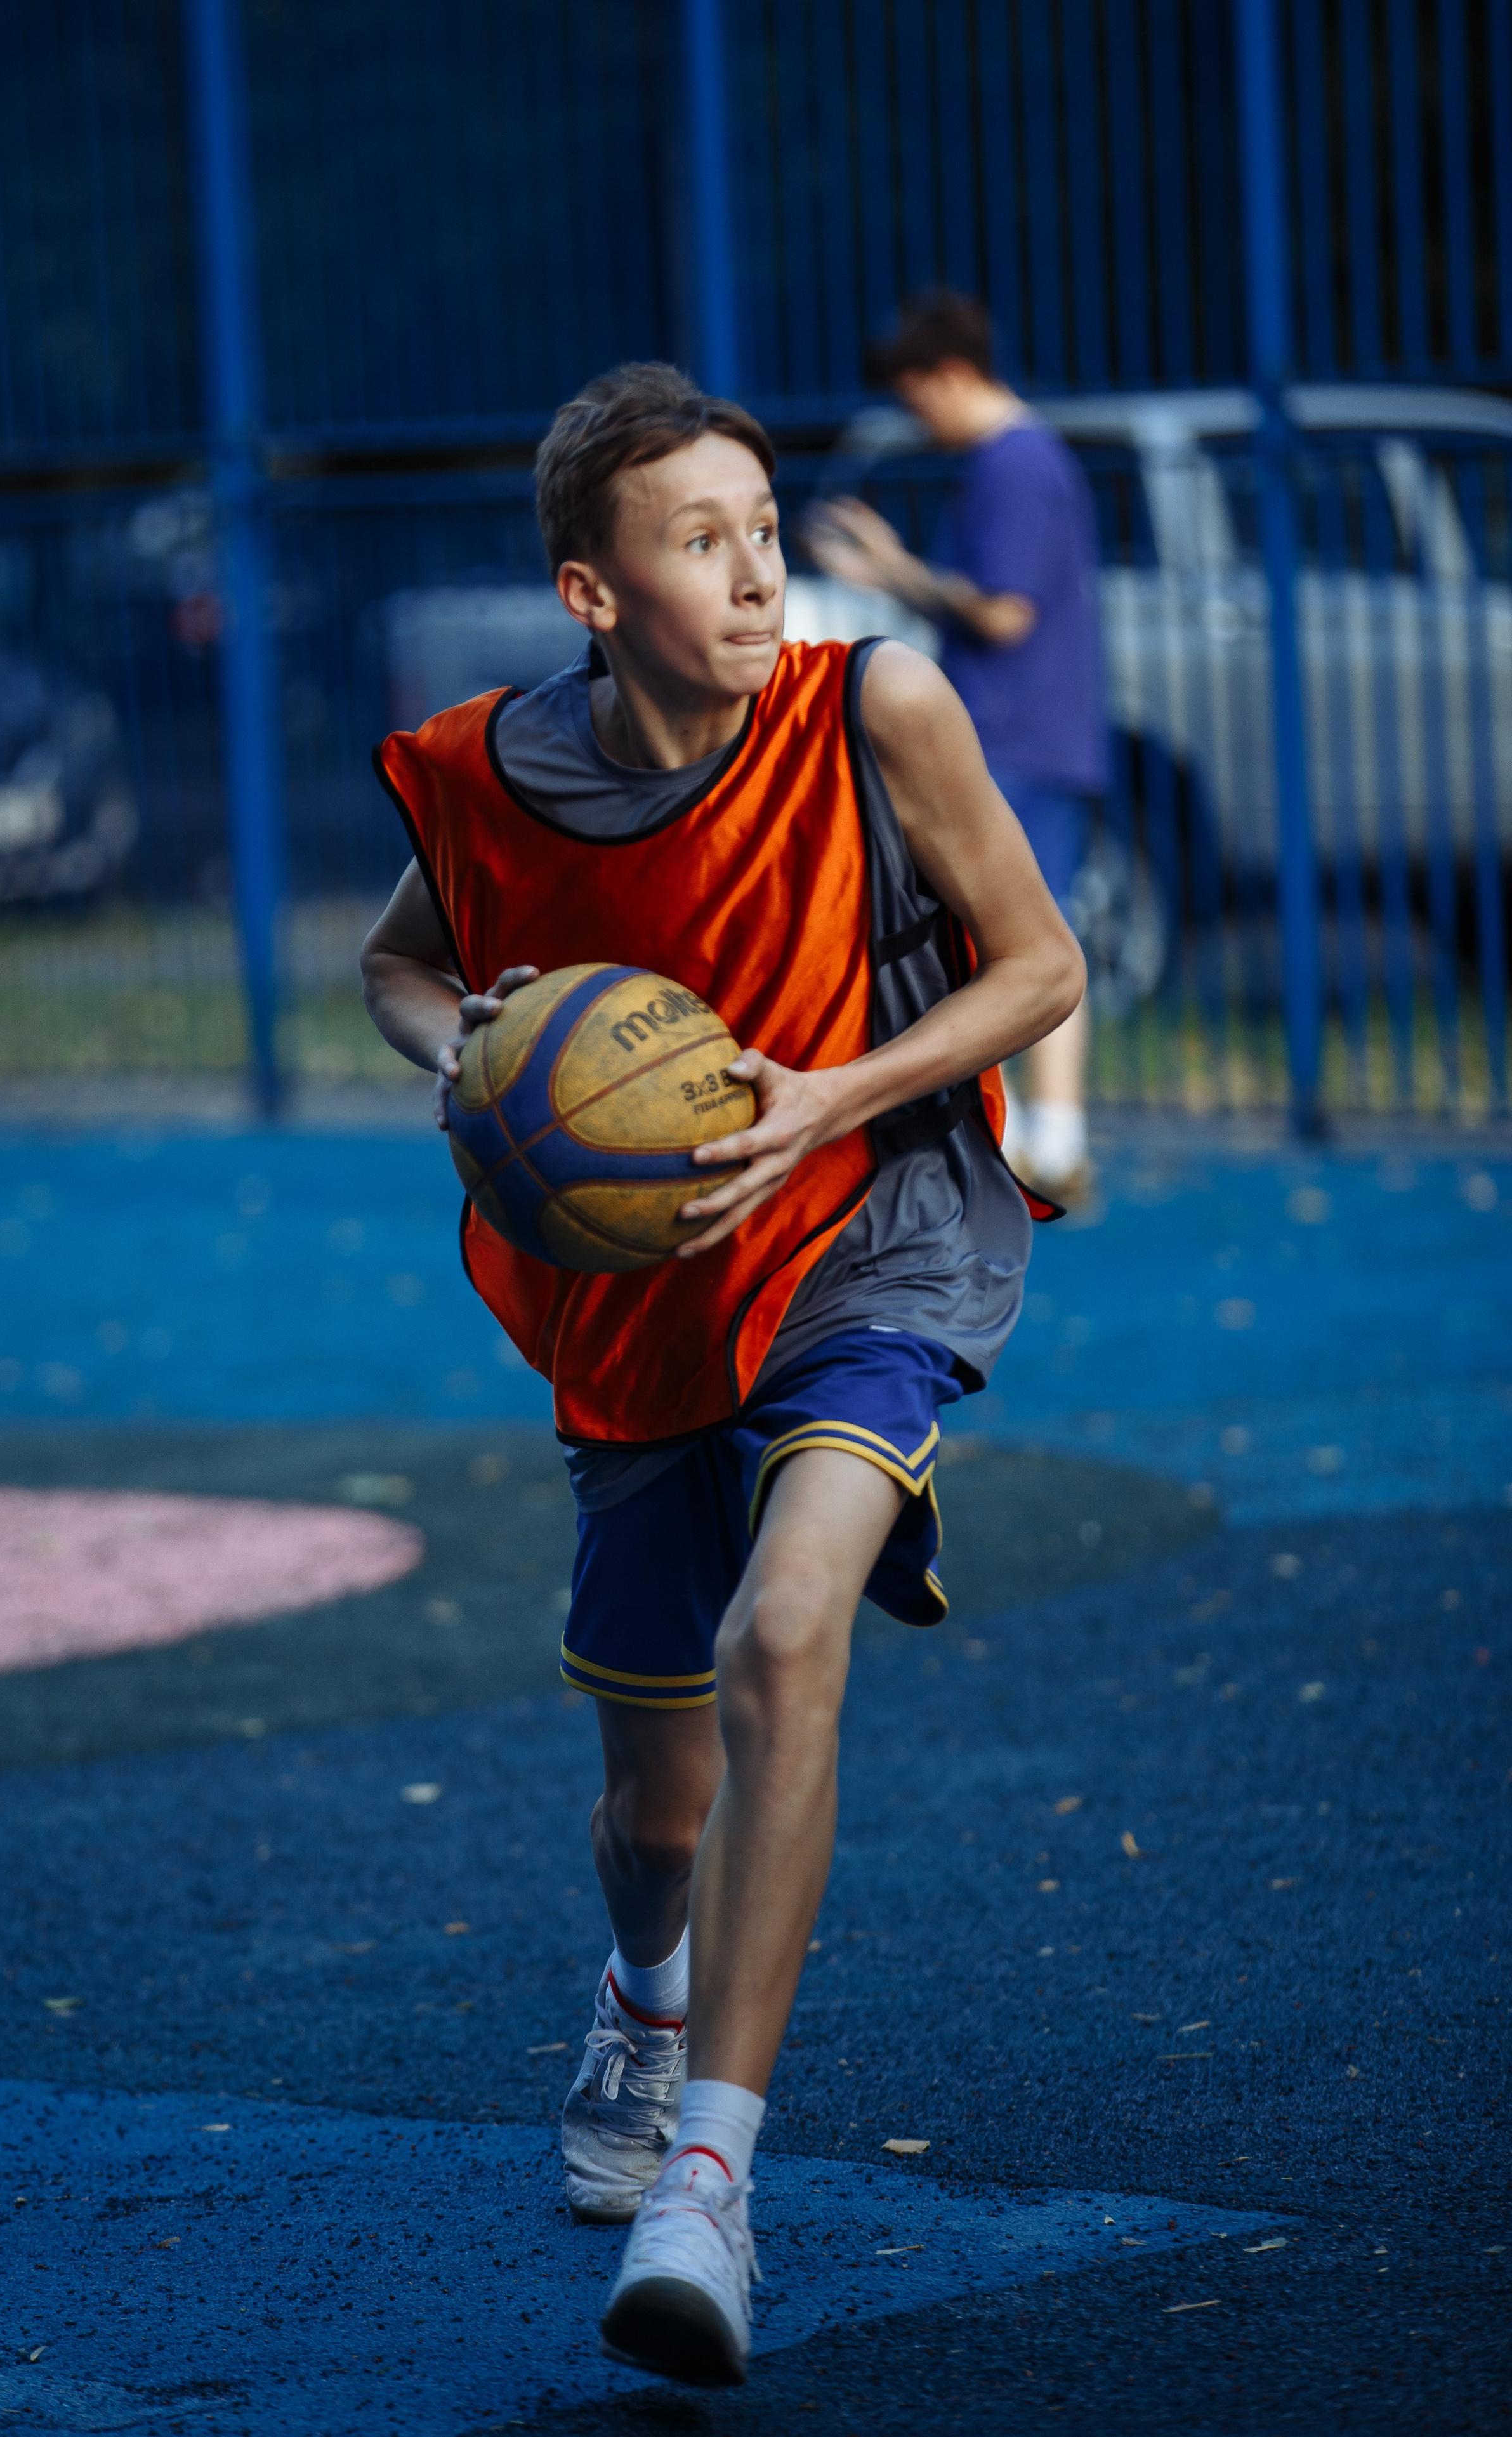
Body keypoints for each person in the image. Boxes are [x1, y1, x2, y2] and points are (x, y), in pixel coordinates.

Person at [361, 362, 1082, 2388]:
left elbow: (1043, 965)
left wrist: (827, 1096)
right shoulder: (494, 771)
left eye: (767, 530)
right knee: (653, 1800)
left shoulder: (878, 710)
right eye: (704, 543)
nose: (760, 575)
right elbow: (400, 967)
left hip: (871, 1235)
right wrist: (474, 1052)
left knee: (791, 1635)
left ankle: (713, 2178)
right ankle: (645, 1990)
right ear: (593, 594)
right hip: (636, 1302)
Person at [804, 289, 1107, 1202]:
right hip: (1030, 733)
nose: (912, 417)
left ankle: (1051, 1144)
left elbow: (1003, 612)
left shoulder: (1014, 464)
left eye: (913, 394)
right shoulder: (1023, 458)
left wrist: (888, 570)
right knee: (1020, 933)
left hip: (1017, 735)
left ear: (949, 374)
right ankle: (1041, 1140)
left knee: (1028, 937)